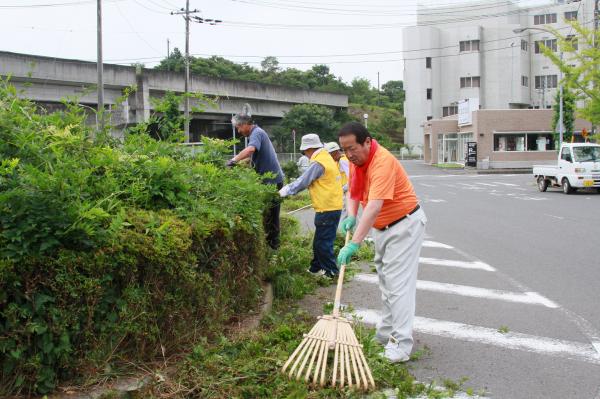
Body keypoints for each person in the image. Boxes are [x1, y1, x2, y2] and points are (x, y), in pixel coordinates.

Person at [335, 122, 427, 363]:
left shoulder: (382, 162)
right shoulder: (357, 162)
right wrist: (352, 215)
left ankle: (401, 343)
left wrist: (354, 243)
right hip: (382, 229)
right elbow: (353, 192)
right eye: (344, 149)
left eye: (352, 148)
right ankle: (386, 332)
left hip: (403, 225)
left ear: (367, 141)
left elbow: (374, 206)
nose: (349, 154)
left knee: (399, 286)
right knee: (386, 282)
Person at [279, 134, 343, 277]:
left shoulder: (319, 162)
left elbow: (304, 181)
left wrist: (285, 191)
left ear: (309, 149)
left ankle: (331, 272)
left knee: (323, 243)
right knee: (320, 241)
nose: (305, 155)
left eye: (305, 152)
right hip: (331, 206)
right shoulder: (326, 157)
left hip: (327, 207)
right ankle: (315, 269)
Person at [226, 112, 284, 249]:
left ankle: (273, 248)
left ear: (245, 124)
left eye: (239, 127)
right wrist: (242, 165)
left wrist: (233, 160)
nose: (239, 131)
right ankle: (270, 246)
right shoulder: (257, 133)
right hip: (270, 181)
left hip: (272, 182)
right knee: (268, 214)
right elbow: (253, 157)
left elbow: (251, 149)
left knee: (272, 216)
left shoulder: (256, 133)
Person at [324, 141, 350, 222]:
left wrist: (343, 188)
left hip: (348, 191)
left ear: (334, 152)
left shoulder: (343, 161)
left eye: (329, 155)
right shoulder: (338, 161)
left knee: (345, 213)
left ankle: (342, 233)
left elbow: (352, 177)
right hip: (344, 191)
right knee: (347, 213)